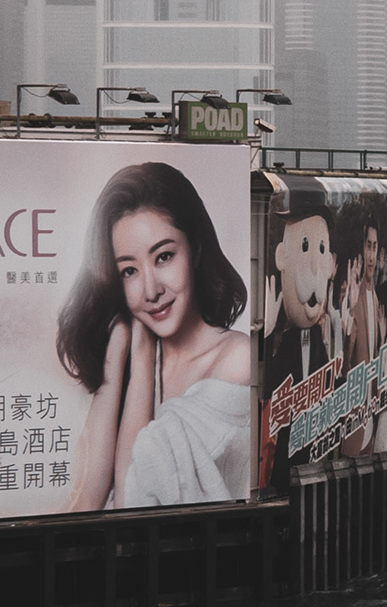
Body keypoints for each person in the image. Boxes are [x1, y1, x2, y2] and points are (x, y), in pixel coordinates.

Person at [57, 161, 257, 512]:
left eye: (164, 256)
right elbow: (85, 501)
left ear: (194, 249)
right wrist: (124, 342)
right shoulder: (129, 358)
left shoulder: (237, 361)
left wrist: (142, 350)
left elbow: (135, 498)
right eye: (129, 271)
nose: (151, 290)